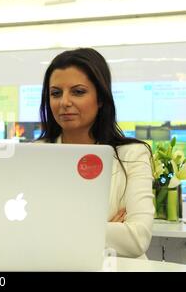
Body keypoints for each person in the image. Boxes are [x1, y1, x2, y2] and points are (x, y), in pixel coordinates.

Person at [37, 48, 154, 258]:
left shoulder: (132, 155)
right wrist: (103, 229)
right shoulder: (34, 155)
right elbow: (19, 231)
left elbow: (137, 239)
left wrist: (53, 229)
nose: (64, 102)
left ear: (100, 98)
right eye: (55, 93)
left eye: (78, 92)